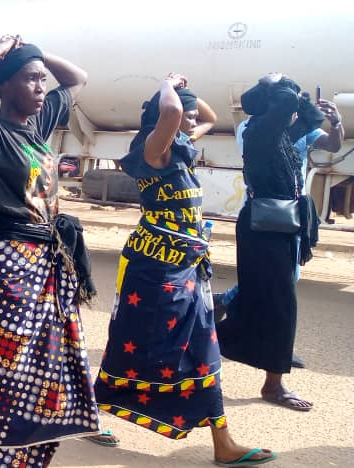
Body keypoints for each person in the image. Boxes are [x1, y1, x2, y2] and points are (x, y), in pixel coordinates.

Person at [94, 75, 276, 467]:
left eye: (191, 119)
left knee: (204, 353)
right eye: (185, 118)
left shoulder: (179, 146)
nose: (192, 122)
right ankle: (89, 411)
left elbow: (203, 115)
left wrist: (188, 102)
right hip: (154, 270)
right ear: (163, 120)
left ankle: (222, 443)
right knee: (134, 347)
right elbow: (174, 111)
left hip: (188, 268)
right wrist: (167, 85)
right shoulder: (152, 151)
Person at [0, 36, 107, 467]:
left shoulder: (36, 127)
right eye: (30, 79)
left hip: (42, 263)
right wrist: (3, 50)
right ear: (2, 86)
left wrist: (36, 53)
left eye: (42, 79)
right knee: (2, 371)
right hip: (1, 265)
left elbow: (77, 79)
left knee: (42, 371)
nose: (41, 87)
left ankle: (28, 458)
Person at [215, 74, 328, 413]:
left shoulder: (277, 134)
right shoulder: (260, 133)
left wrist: (296, 91)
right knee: (280, 306)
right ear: (273, 106)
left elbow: (310, 117)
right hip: (264, 230)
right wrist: (280, 84)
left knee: (262, 301)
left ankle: (202, 340)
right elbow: (289, 105)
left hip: (277, 228)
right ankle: (273, 384)